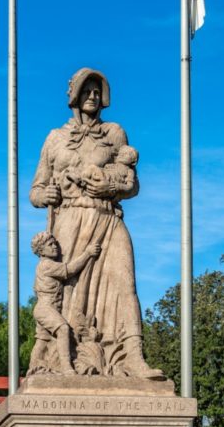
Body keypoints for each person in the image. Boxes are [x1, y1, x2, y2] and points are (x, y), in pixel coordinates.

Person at [29, 68, 164, 380]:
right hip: (69, 222)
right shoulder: (55, 138)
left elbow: (133, 185)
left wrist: (110, 188)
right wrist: (43, 194)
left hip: (107, 217)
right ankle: (66, 359)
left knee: (125, 283)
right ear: (75, 95)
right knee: (68, 293)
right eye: (86, 90)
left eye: (96, 91)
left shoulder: (115, 133)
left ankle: (132, 356)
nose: (91, 96)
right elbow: (36, 190)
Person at [29, 231, 101, 374]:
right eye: (50, 244)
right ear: (41, 251)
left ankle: (33, 368)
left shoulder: (43, 265)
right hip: (45, 307)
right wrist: (87, 253)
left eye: (55, 243)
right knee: (63, 329)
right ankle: (66, 367)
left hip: (46, 308)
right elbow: (68, 270)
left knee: (43, 340)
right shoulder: (46, 265)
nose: (55, 246)